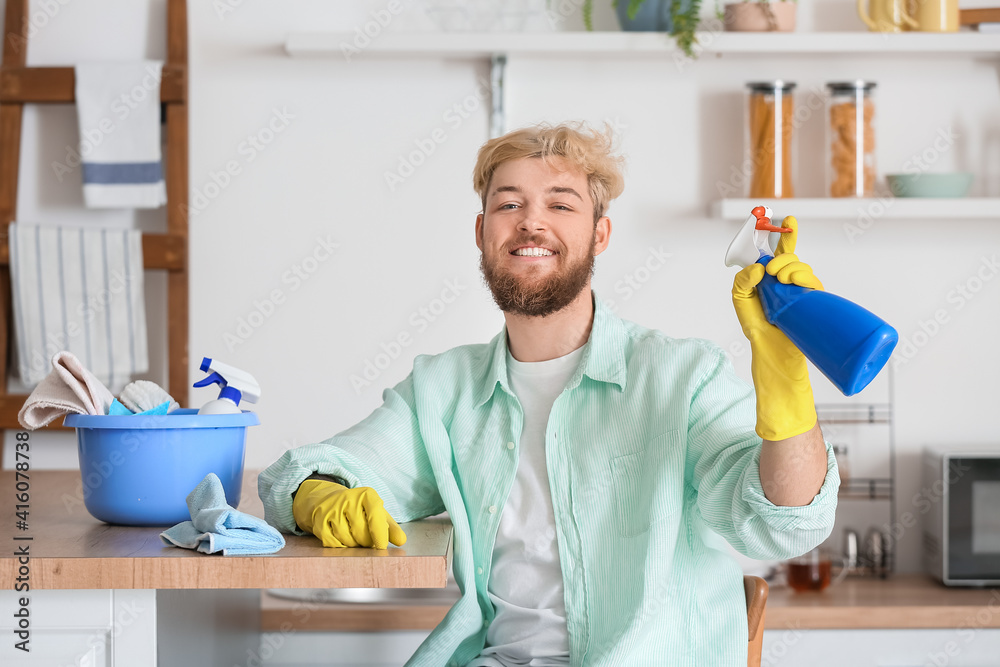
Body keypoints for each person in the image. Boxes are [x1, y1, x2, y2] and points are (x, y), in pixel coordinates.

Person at [258, 122, 839, 666]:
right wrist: (317, 493)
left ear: (599, 234)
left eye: (560, 205)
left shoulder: (682, 378)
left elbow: (784, 526)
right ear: (482, 231)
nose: (531, 223)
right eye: (509, 204)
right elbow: (311, 471)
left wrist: (787, 378)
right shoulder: (443, 392)